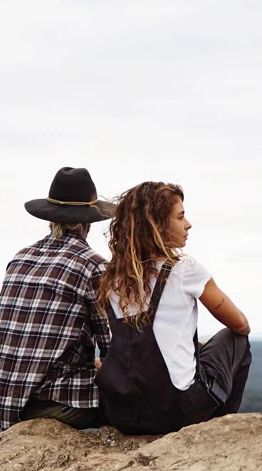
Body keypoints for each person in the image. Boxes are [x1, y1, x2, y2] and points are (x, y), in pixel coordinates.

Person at [95, 181, 251, 435]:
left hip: (122, 414)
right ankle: (221, 427)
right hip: (176, 411)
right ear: (157, 225)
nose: (188, 224)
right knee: (237, 339)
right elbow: (240, 324)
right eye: (180, 217)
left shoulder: (110, 277)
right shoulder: (184, 269)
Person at [0, 166, 115, 431]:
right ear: (88, 221)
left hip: (6, 404)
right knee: (147, 404)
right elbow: (116, 348)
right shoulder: (93, 266)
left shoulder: (21, 257)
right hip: (58, 405)